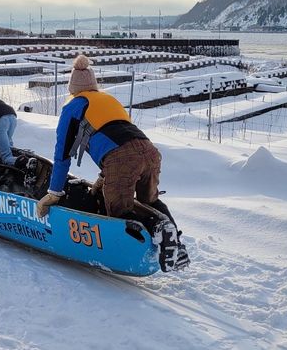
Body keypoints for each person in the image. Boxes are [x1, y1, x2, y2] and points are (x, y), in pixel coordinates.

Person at [36, 55, 188, 270]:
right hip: (150, 151)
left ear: (72, 87)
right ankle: (176, 246)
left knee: (118, 210)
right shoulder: (107, 100)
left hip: (121, 158)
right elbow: (119, 137)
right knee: (150, 200)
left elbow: (62, 155)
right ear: (93, 84)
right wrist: (102, 179)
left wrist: (54, 193)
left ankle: (158, 228)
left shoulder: (73, 106)